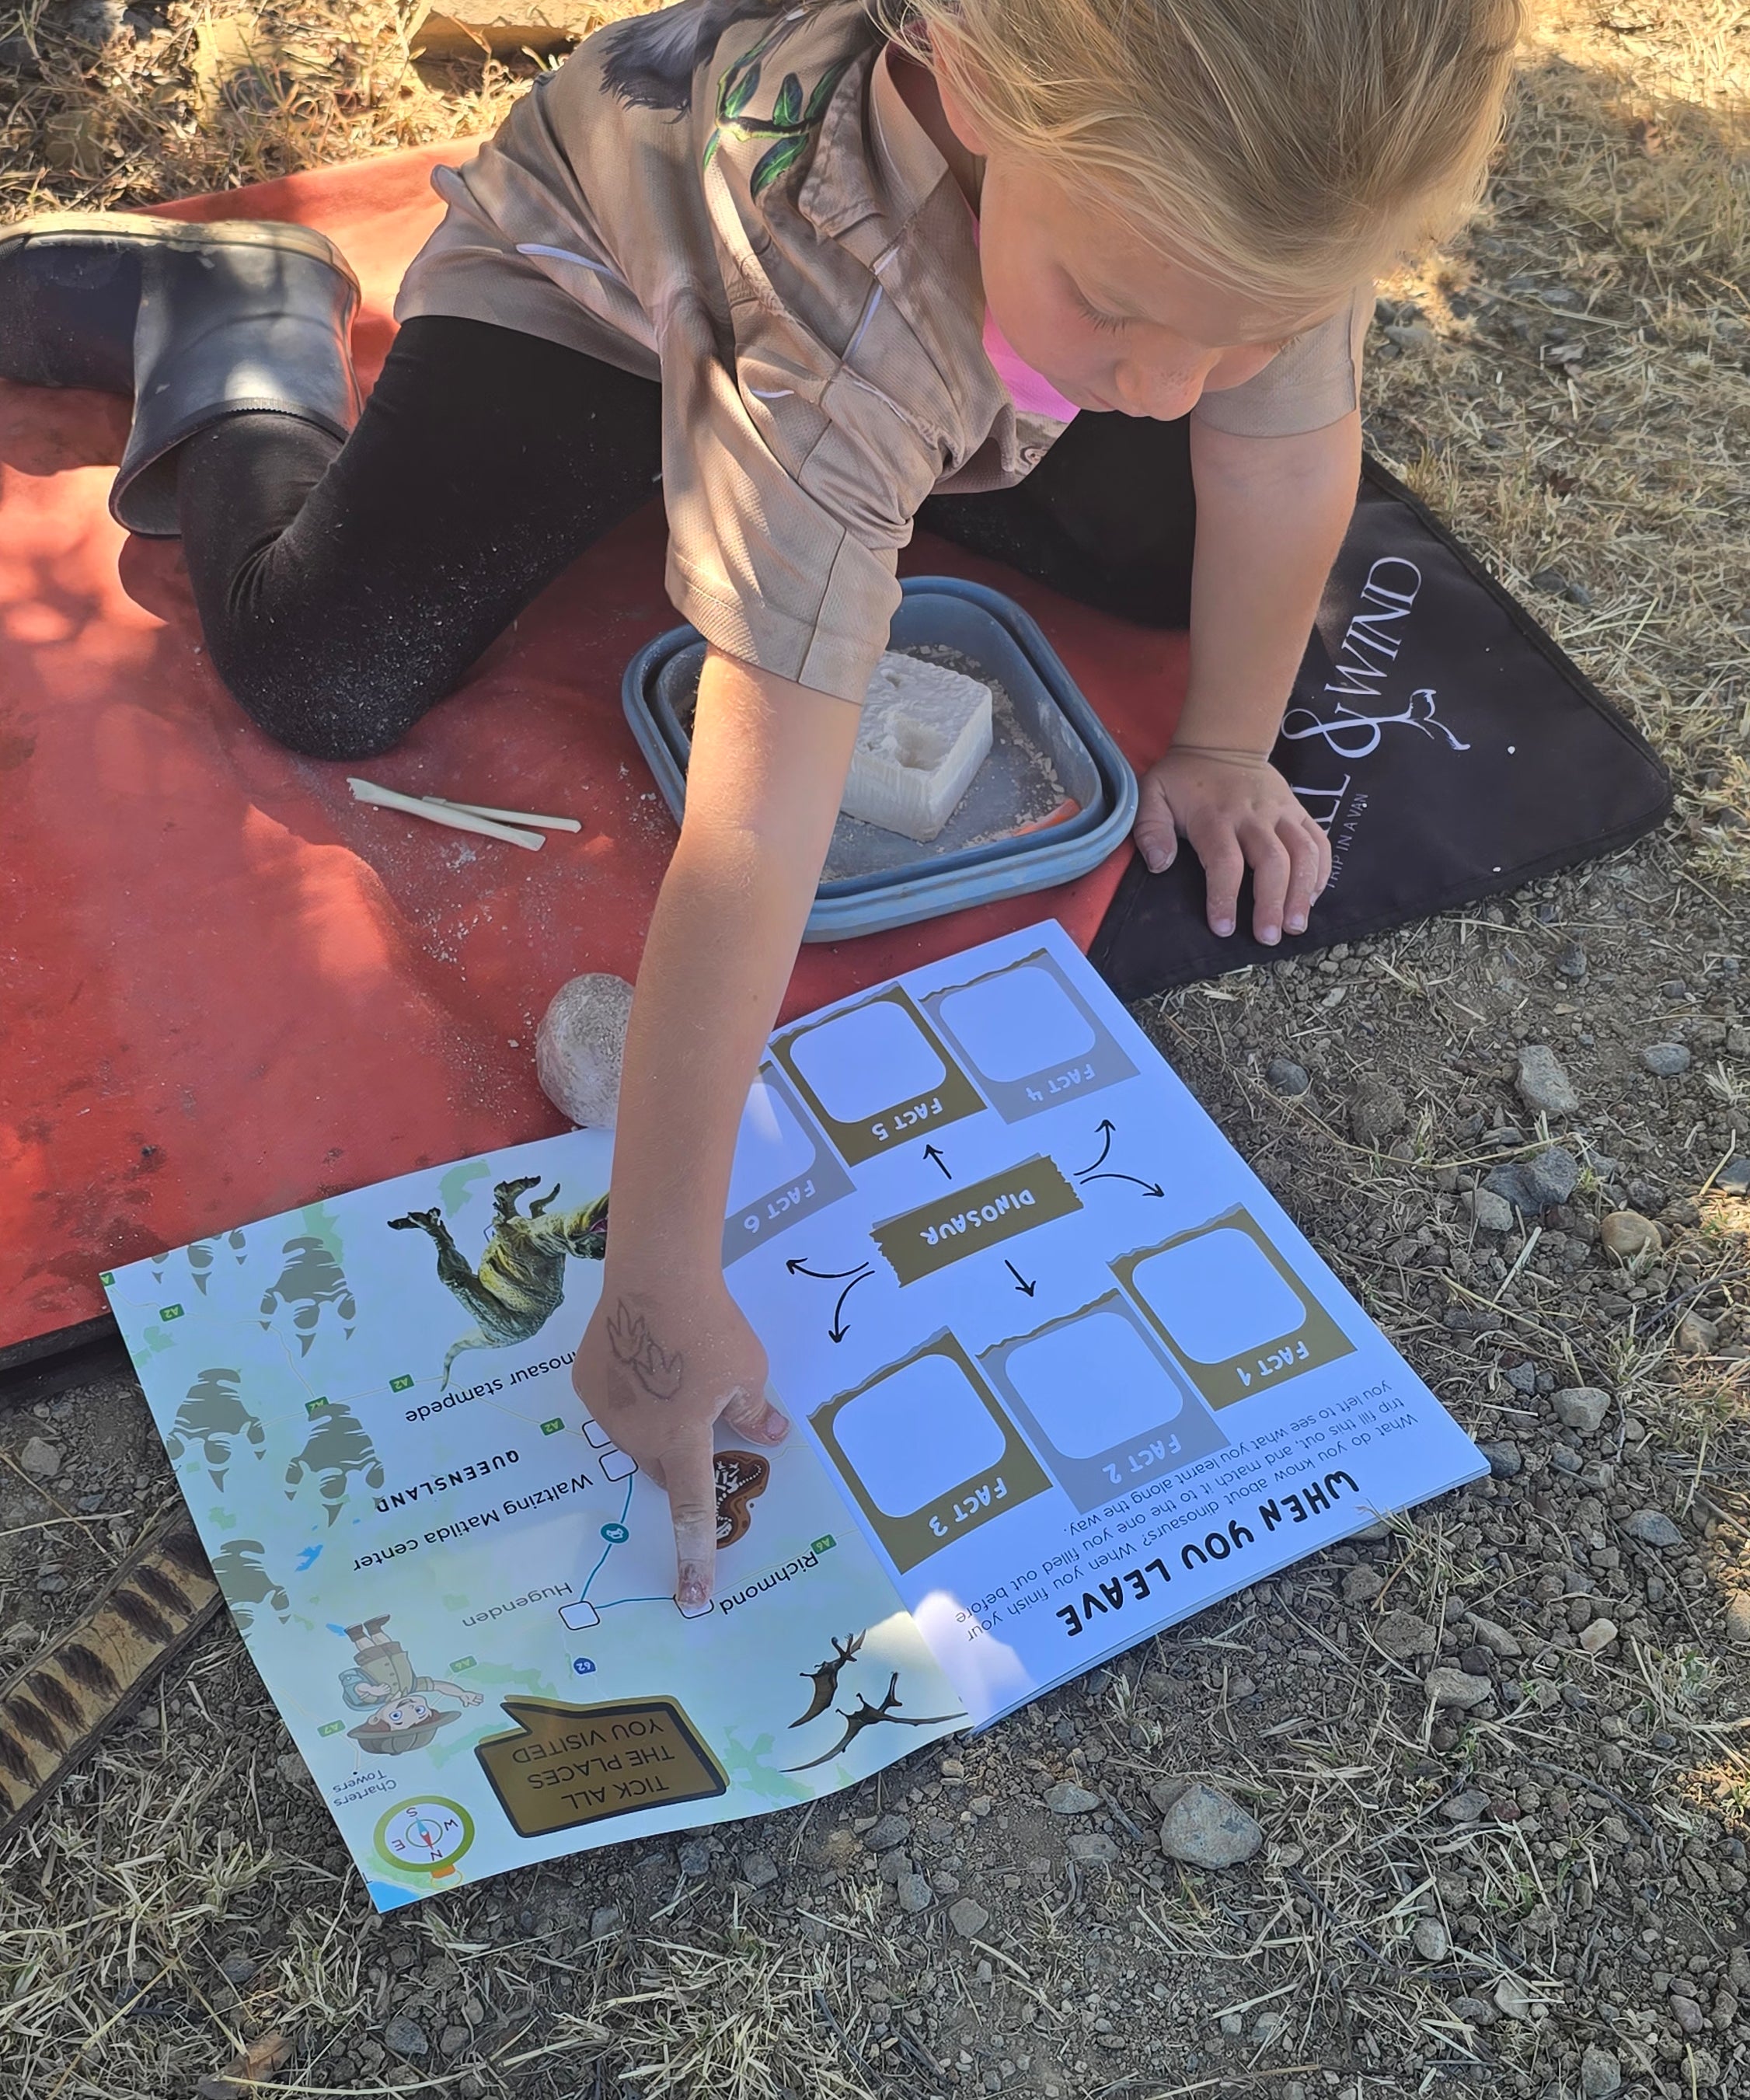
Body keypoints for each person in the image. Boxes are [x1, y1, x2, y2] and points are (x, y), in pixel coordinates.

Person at [1, 0, 1520, 1606]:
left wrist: (1223, 740)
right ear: (986, 82)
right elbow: (752, 825)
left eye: (1249, 328)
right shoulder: (840, 319)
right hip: (598, 287)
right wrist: (656, 1283)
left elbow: (1279, 458)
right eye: (1124, 310)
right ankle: (232, 336)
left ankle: (912, 438)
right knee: (326, 669)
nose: (1169, 384)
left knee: (1176, 550)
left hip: (933, 321)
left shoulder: (1292, 141)